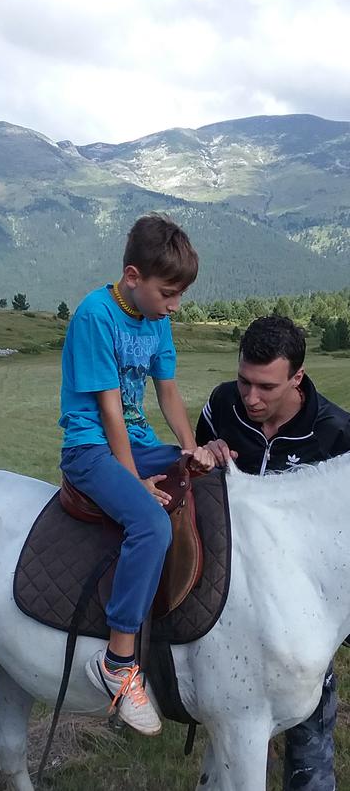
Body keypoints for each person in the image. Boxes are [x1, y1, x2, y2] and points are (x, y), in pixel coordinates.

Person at [59, 212, 214, 735]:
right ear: (132, 276)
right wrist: (134, 482)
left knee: (207, 481)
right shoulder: (95, 316)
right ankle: (118, 662)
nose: (175, 305)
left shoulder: (157, 319)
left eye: (180, 295)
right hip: (90, 448)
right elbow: (109, 412)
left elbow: (166, 391)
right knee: (148, 522)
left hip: (138, 442)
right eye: (168, 293)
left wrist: (190, 450)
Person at [197, 315, 350, 791]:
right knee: (236, 724)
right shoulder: (222, 405)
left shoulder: (336, 433)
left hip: (302, 617)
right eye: (244, 381)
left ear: (297, 378)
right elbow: (197, 489)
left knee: (309, 744)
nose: (251, 397)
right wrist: (205, 456)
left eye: (266, 387)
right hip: (231, 603)